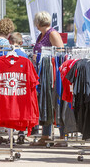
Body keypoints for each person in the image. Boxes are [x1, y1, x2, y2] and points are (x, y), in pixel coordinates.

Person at [30, 11, 64, 147]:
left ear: (38, 23)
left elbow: (61, 53)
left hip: (53, 73)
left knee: (55, 103)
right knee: (45, 103)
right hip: (43, 73)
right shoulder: (42, 35)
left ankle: (62, 136)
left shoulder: (52, 34)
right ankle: (45, 135)